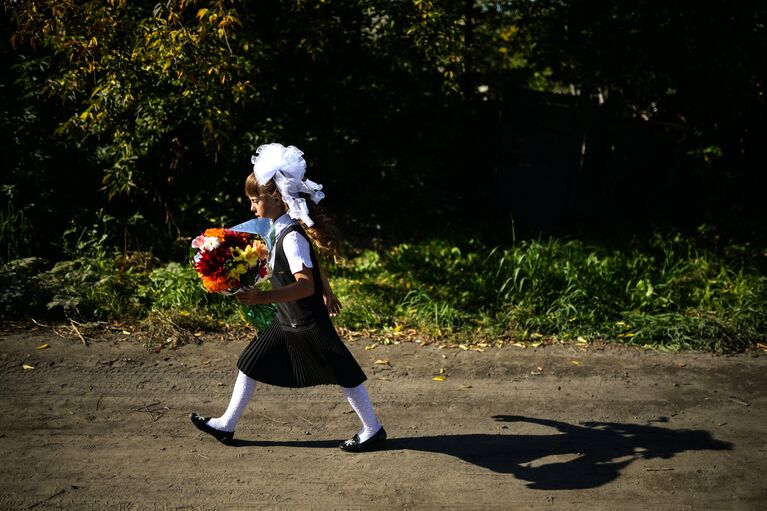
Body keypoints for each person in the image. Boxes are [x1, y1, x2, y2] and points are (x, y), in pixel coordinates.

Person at [190, 143, 386, 452]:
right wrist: (328, 290)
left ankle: (373, 429)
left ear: (276, 198)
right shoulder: (280, 231)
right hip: (287, 320)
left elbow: (305, 284)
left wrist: (261, 297)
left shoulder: (291, 236)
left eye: (255, 200)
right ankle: (226, 424)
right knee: (249, 362)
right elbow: (312, 264)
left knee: (345, 374)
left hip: (307, 321)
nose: (253, 208)